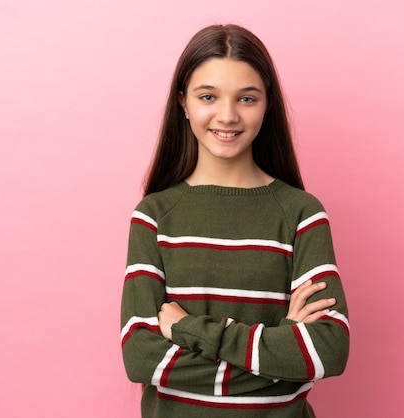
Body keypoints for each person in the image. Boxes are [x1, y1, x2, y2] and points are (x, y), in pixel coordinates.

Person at [121, 24, 350, 417]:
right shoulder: (155, 217)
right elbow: (142, 359)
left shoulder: (301, 214)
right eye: (208, 96)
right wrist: (281, 360)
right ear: (183, 103)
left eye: (246, 98)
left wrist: (190, 330)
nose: (227, 116)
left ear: (267, 104)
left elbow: (326, 351)